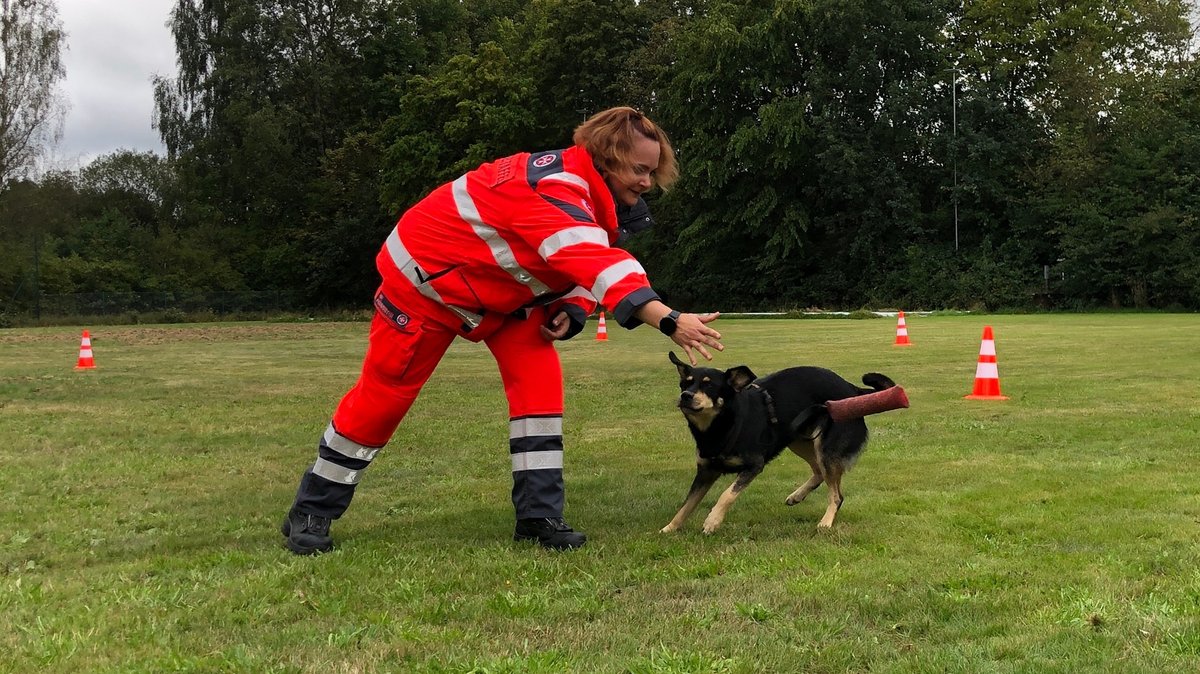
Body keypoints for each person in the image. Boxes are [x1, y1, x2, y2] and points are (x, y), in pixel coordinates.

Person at [281, 106, 724, 554]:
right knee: (384, 397)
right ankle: (312, 510)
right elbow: (595, 260)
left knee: (540, 391)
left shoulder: (587, 195)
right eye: (639, 169)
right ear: (606, 157)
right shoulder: (553, 187)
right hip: (425, 291)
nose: (648, 182)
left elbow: (581, 261)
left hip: (503, 299)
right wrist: (669, 319)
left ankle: (538, 516)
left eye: (652, 171)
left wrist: (571, 307)